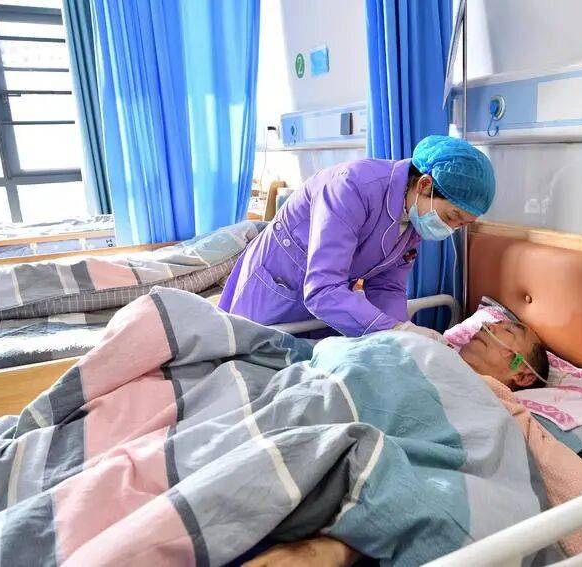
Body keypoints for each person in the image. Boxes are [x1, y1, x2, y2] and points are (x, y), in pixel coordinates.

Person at [244, 320, 559, 567]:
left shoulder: (497, 408)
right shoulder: (429, 348)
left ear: (523, 375)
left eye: (508, 331)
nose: (488, 326)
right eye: (492, 322)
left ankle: (352, 536)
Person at [218, 135, 496, 340]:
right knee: (251, 360)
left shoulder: (414, 217)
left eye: (462, 225)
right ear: (425, 185)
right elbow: (323, 289)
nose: (450, 229)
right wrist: (393, 329)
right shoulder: (351, 187)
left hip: (329, 307)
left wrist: (403, 338)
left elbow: (387, 287)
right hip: (277, 288)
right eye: (451, 217)